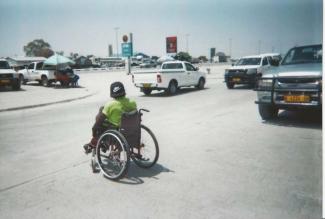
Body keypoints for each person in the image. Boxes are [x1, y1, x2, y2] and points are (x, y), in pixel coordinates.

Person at [83, 81, 137, 154]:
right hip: (131, 130)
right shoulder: (132, 102)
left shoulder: (110, 105)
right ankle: (100, 143)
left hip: (117, 131)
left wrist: (94, 129)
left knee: (99, 125)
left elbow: (99, 121)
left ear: (112, 93)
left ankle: (95, 143)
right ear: (124, 91)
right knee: (102, 111)